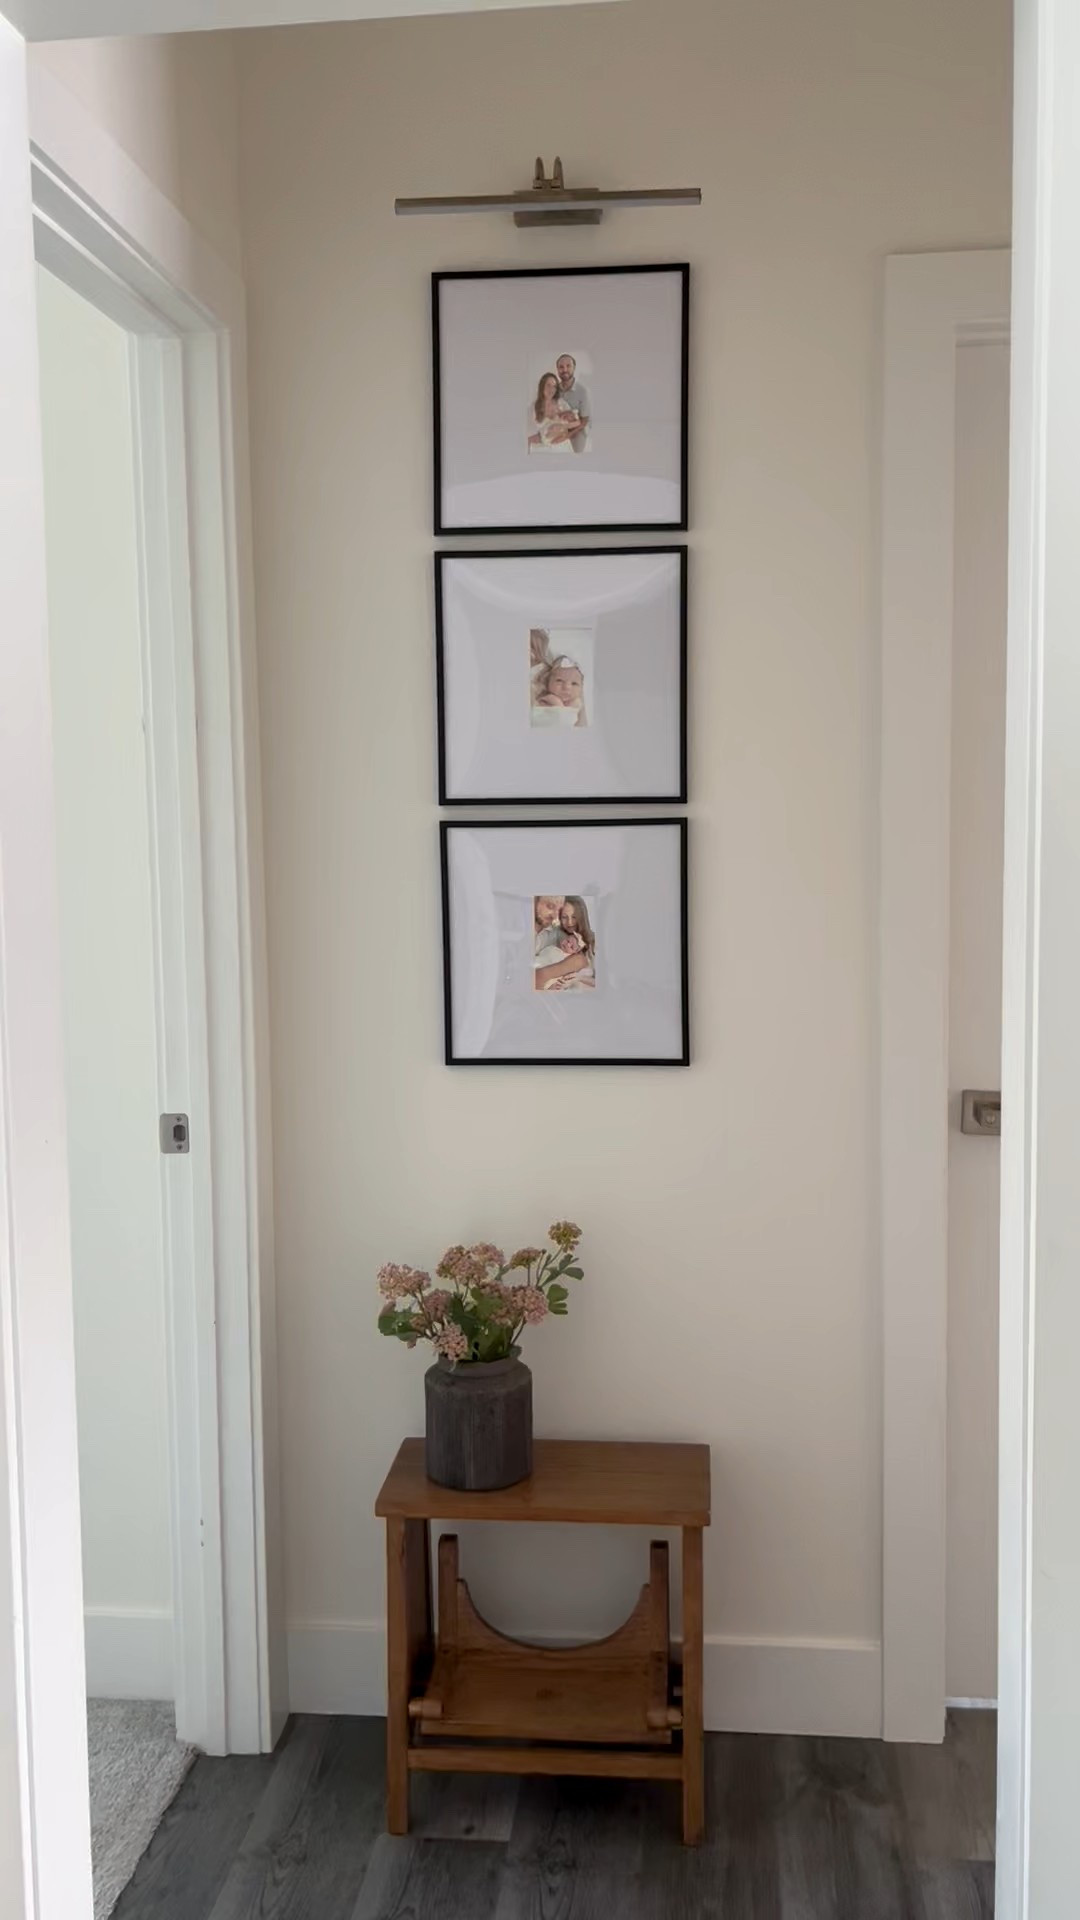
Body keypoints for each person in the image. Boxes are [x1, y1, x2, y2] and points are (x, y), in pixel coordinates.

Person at [527, 372, 581, 453]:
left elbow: (577, 422)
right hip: (542, 450)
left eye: (554, 386)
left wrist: (562, 427)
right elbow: (528, 435)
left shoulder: (561, 403)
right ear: (542, 387)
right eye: (548, 385)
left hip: (563, 448)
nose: (551, 389)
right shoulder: (533, 407)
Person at [532, 655, 587, 728]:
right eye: (559, 681)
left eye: (574, 683)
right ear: (547, 682)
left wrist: (558, 704)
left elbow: (568, 721)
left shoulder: (577, 703)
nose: (567, 687)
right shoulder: (546, 699)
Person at [554, 353, 591, 454]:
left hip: (578, 430)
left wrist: (567, 436)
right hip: (559, 426)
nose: (564, 370)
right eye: (561, 367)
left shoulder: (582, 391)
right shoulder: (554, 389)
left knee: (577, 455)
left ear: (574, 368)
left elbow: (584, 421)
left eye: (568, 366)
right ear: (557, 370)